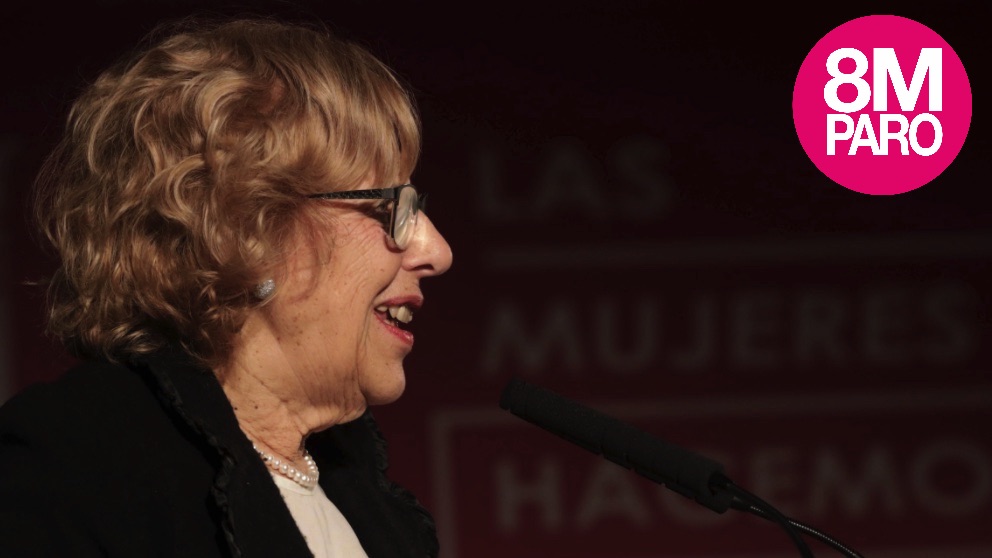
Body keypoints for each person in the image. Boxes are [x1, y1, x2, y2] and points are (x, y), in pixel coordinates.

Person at [0, 16, 451, 558]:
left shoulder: (370, 509)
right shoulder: (66, 474)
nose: (436, 251)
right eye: (391, 207)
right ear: (239, 228)